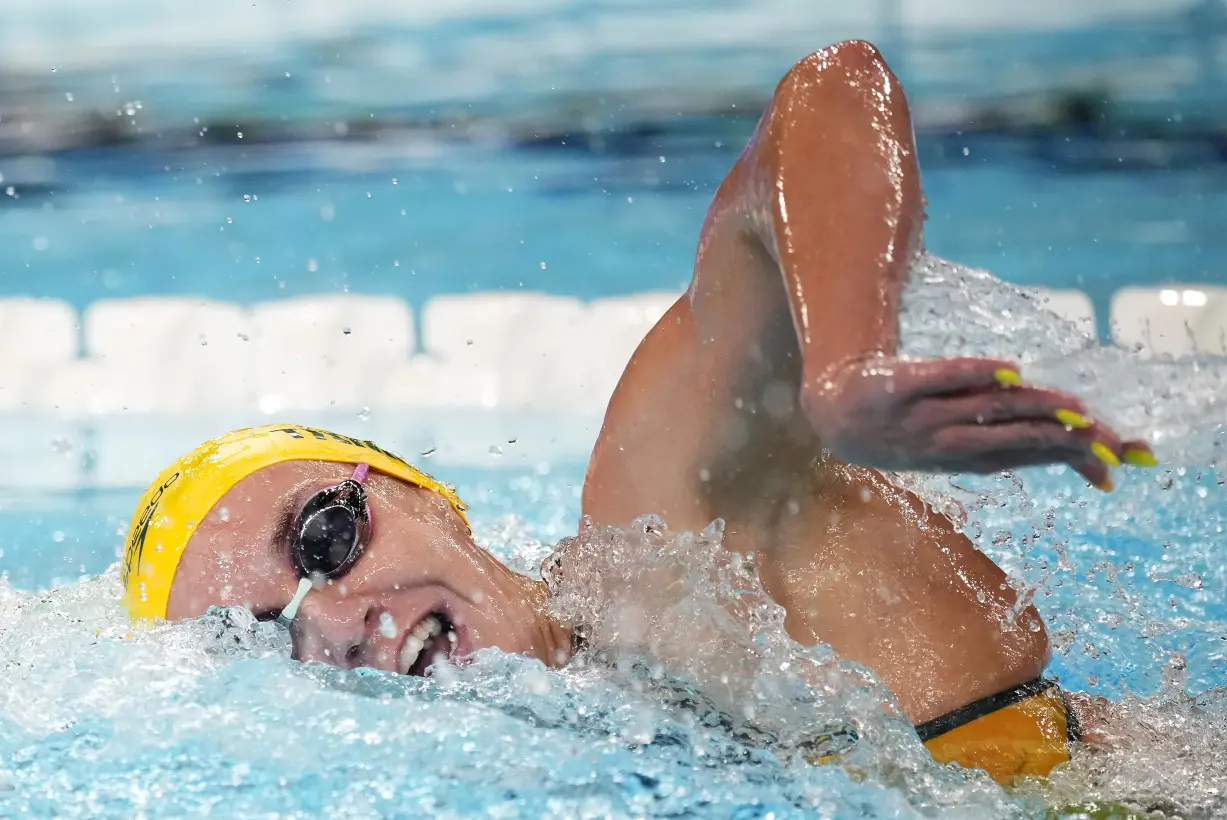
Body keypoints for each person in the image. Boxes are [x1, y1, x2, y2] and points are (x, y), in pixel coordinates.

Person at [119, 40, 1157, 786]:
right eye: (270, 640)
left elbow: (832, 93)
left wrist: (845, 369)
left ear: (416, 491)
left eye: (324, 537)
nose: (343, 624)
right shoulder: (566, 752)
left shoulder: (672, 535)